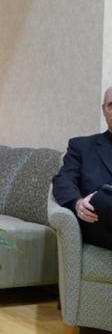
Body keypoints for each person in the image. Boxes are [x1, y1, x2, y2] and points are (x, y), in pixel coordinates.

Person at [53, 86, 112, 249]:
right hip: (101, 223)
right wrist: (78, 203)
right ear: (104, 110)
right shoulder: (82, 146)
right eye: (111, 105)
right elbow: (63, 180)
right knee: (100, 198)